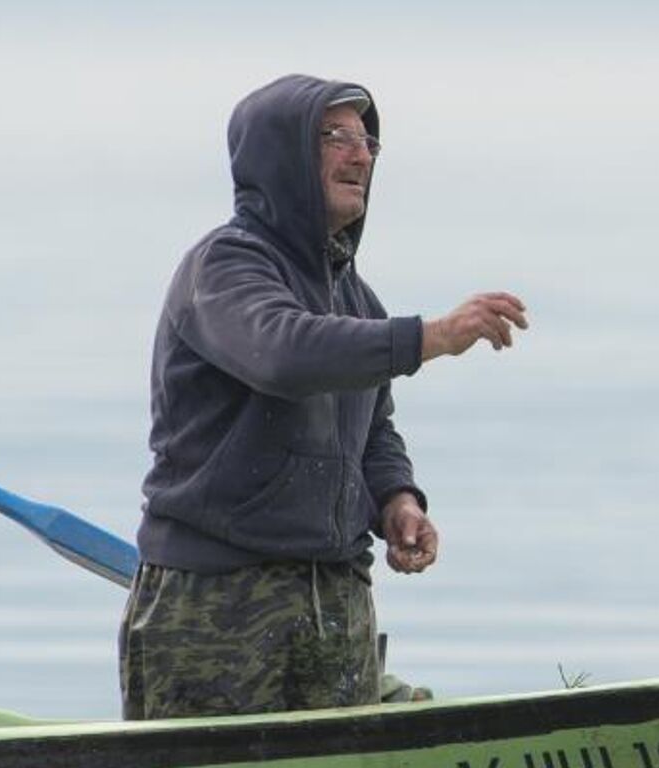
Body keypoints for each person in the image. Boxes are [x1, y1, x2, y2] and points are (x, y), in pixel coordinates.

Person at [120, 74, 529, 719]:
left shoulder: (357, 299)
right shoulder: (225, 269)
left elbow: (373, 432)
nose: (360, 154)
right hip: (219, 602)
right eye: (334, 136)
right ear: (278, 155)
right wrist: (435, 336)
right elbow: (283, 353)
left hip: (336, 599)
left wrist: (396, 500)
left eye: (367, 139)